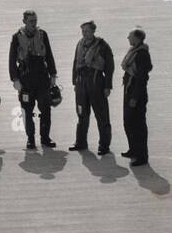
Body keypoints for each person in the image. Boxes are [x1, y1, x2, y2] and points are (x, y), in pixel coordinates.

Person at [9, 10, 58, 150]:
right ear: (24, 21)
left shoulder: (43, 35)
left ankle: (45, 138)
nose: (33, 24)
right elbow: (12, 60)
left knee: (46, 108)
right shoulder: (17, 37)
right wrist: (15, 79)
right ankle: (30, 139)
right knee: (27, 110)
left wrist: (53, 75)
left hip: (42, 77)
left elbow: (49, 55)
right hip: (26, 78)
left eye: (35, 21)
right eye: (31, 21)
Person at [69, 20, 114, 155]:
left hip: (96, 81)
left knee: (101, 115)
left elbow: (109, 67)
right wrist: (74, 82)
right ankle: (81, 142)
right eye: (83, 31)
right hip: (81, 83)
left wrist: (107, 86)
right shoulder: (80, 44)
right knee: (82, 114)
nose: (84, 33)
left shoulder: (102, 46)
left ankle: (104, 145)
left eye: (87, 31)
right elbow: (75, 63)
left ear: (93, 31)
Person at [120, 28, 152, 165]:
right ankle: (133, 149)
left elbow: (142, 79)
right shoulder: (133, 51)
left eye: (130, 36)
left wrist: (134, 97)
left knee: (138, 125)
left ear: (137, 39)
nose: (128, 38)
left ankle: (141, 156)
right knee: (128, 122)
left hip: (136, 94)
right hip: (129, 91)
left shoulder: (141, 54)